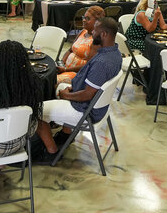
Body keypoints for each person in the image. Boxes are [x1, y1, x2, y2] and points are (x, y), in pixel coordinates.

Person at [39, 17, 122, 163]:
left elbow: (87, 94)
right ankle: (65, 134)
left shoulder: (102, 63)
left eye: (95, 30)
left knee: (37, 111)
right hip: (100, 107)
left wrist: (67, 95)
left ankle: (52, 152)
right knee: (60, 86)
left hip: (85, 111)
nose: (92, 32)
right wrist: (72, 88)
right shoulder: (114, 53)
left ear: (103, 34)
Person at [57, 6, 104, 84]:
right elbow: (70, 50)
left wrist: (65, 70)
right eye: (83, 17)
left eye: (88, 18)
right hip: (66, 68)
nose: (83, 20)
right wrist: (62, 62)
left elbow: (88, 65)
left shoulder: (97, 40)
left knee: (52, 81)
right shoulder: (83, 31)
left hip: (79, 74)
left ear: (97, 21)